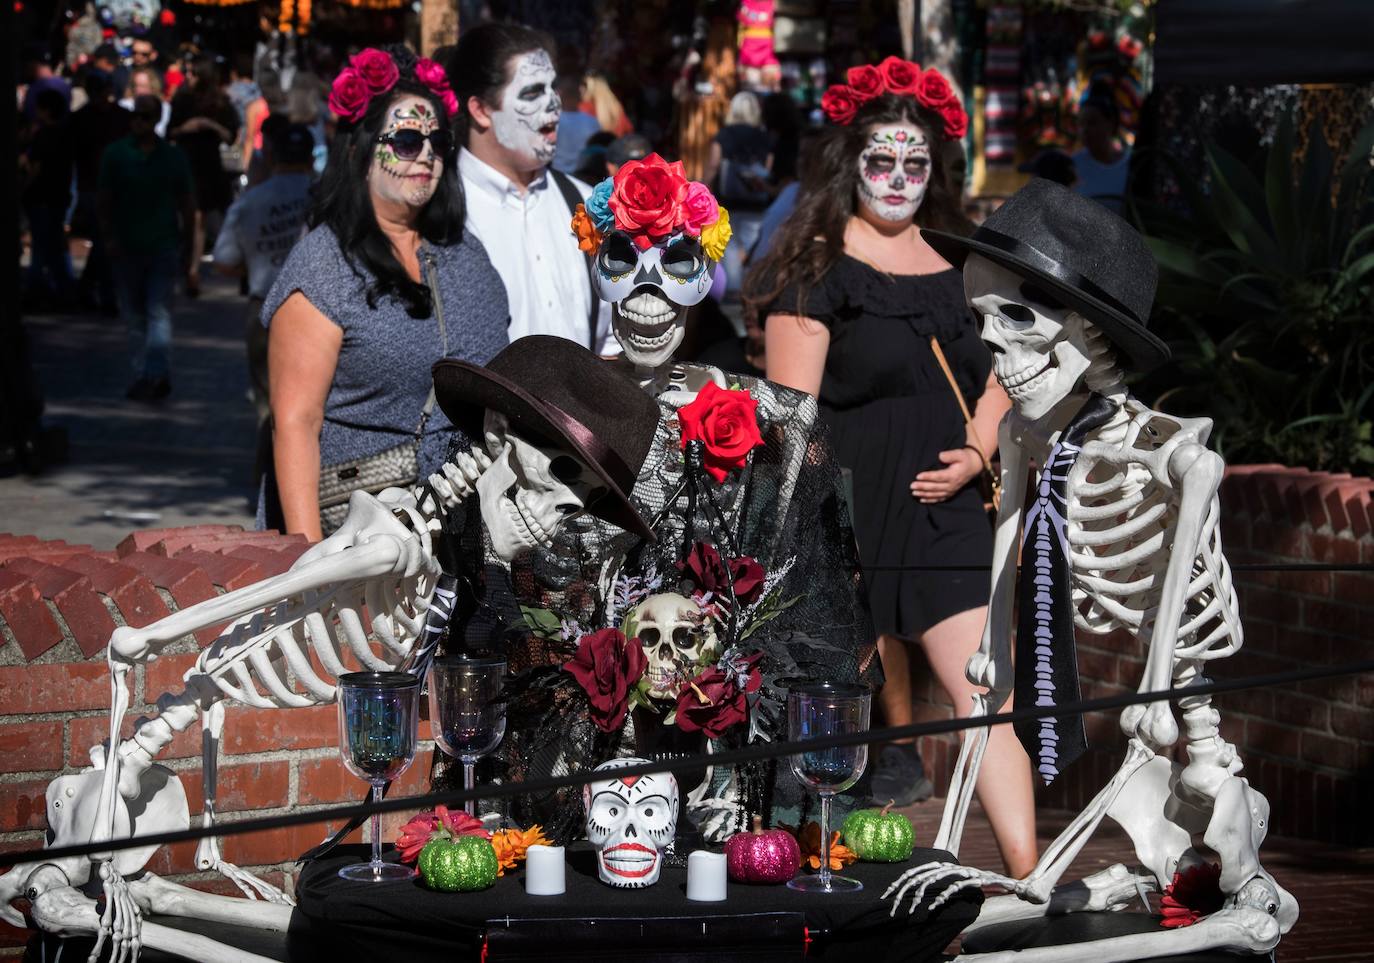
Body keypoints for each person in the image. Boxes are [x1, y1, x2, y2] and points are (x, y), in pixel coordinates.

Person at [748, 60, 1037, 877]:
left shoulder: (963, 263)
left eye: (917, 163)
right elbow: (788, 422)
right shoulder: (813, 271)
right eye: (883, 160)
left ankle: (1029, 874)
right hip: (846, 517)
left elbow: (1004, 371)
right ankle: (820, 876)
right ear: (851, 163)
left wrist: (978, 449)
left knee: (986, 699)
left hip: (944, 513)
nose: (900, 178)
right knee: (830, 713)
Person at [263, 46, 508, 541]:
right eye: (405, 140)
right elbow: (295, 422)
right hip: (354, 534)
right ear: (358, 149)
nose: (426, 155)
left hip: (464, 534)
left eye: (438, 141)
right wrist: (307, 558)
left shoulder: (467, 255)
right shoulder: (324, 264)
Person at [445, 23, 612, 352]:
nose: (553, 104)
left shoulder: (587, 203)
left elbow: (610, 337)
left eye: (553, 87)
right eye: (532, 92)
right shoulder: (440, 209)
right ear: (481, 110)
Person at [214, 122, 314, 424]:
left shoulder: (250, 201)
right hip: (318, 309)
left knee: (268, 404)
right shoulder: (329, 197)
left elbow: (223, 260)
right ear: (311, 157)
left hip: (265, 306)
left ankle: (268, 461)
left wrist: (257, 262)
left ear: (272, 156)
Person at [99, 94, 195, 401]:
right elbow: (103, 200)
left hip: (163, 245)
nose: (138, 121)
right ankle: (147, 372)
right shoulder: (115, 154)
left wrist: (189, 247)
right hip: (126, 246)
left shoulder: (172, 156)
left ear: (155, 119)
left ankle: (153, 375)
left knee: (157, 313)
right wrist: (109, 237)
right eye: (135, 116)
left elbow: (188, 204)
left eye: (145, 116)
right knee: (135, 316)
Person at [169, 55, 240, 296]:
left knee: (204, 218)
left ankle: (195, 268)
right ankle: (187, 265)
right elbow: (171, 130)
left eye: (193, 73)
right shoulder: (182, 99)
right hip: (184, 161)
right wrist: (186, 127)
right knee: (189, 217)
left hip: (208, 165)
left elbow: (231, 135)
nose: (188, 77)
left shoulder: (221, 102)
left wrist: (209, 125)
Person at [70, 68, 131, 313]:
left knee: (105, 242)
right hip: (91, 187)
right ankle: (104, 294)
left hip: (117, 186)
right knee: (104, 241)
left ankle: (88, 289)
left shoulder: (121, 116)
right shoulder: (81, 119)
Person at [705, 91, 772, 295]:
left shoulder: (724, 134)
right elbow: (768, 168)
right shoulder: (762, 136)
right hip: (756, 201)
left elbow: (714, 164)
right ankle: (753, 290)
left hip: (729, 200)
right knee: (754, 245)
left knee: (730, 246)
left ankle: (733, 292)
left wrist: (705, 188)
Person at [21, 88, 76, 308]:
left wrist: (24, 187)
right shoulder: (65, 133)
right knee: (55, 246)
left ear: (45, 110)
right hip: (59, 196)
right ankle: (64, 290)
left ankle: (37, 290)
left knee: (42, 248)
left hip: (43, 197)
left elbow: (36, 167)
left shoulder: (45, 135)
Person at [1071, 86, 1129, 213]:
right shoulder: (1072, 165)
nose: (1085, 130)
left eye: (1092, 122)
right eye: (1081, 123)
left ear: (1110, 123)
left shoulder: (1130, 165)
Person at [551, 69, 598, 174]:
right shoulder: (592, 122)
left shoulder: (551, 121)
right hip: (582, 175)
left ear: (559, 94)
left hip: (558, 174)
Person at [119, 66, 171, 140]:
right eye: (135, 85)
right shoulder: (124, 104)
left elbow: (159, 131)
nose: (138, 89)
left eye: (143, 86)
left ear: (153, 86)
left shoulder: (164, 106)